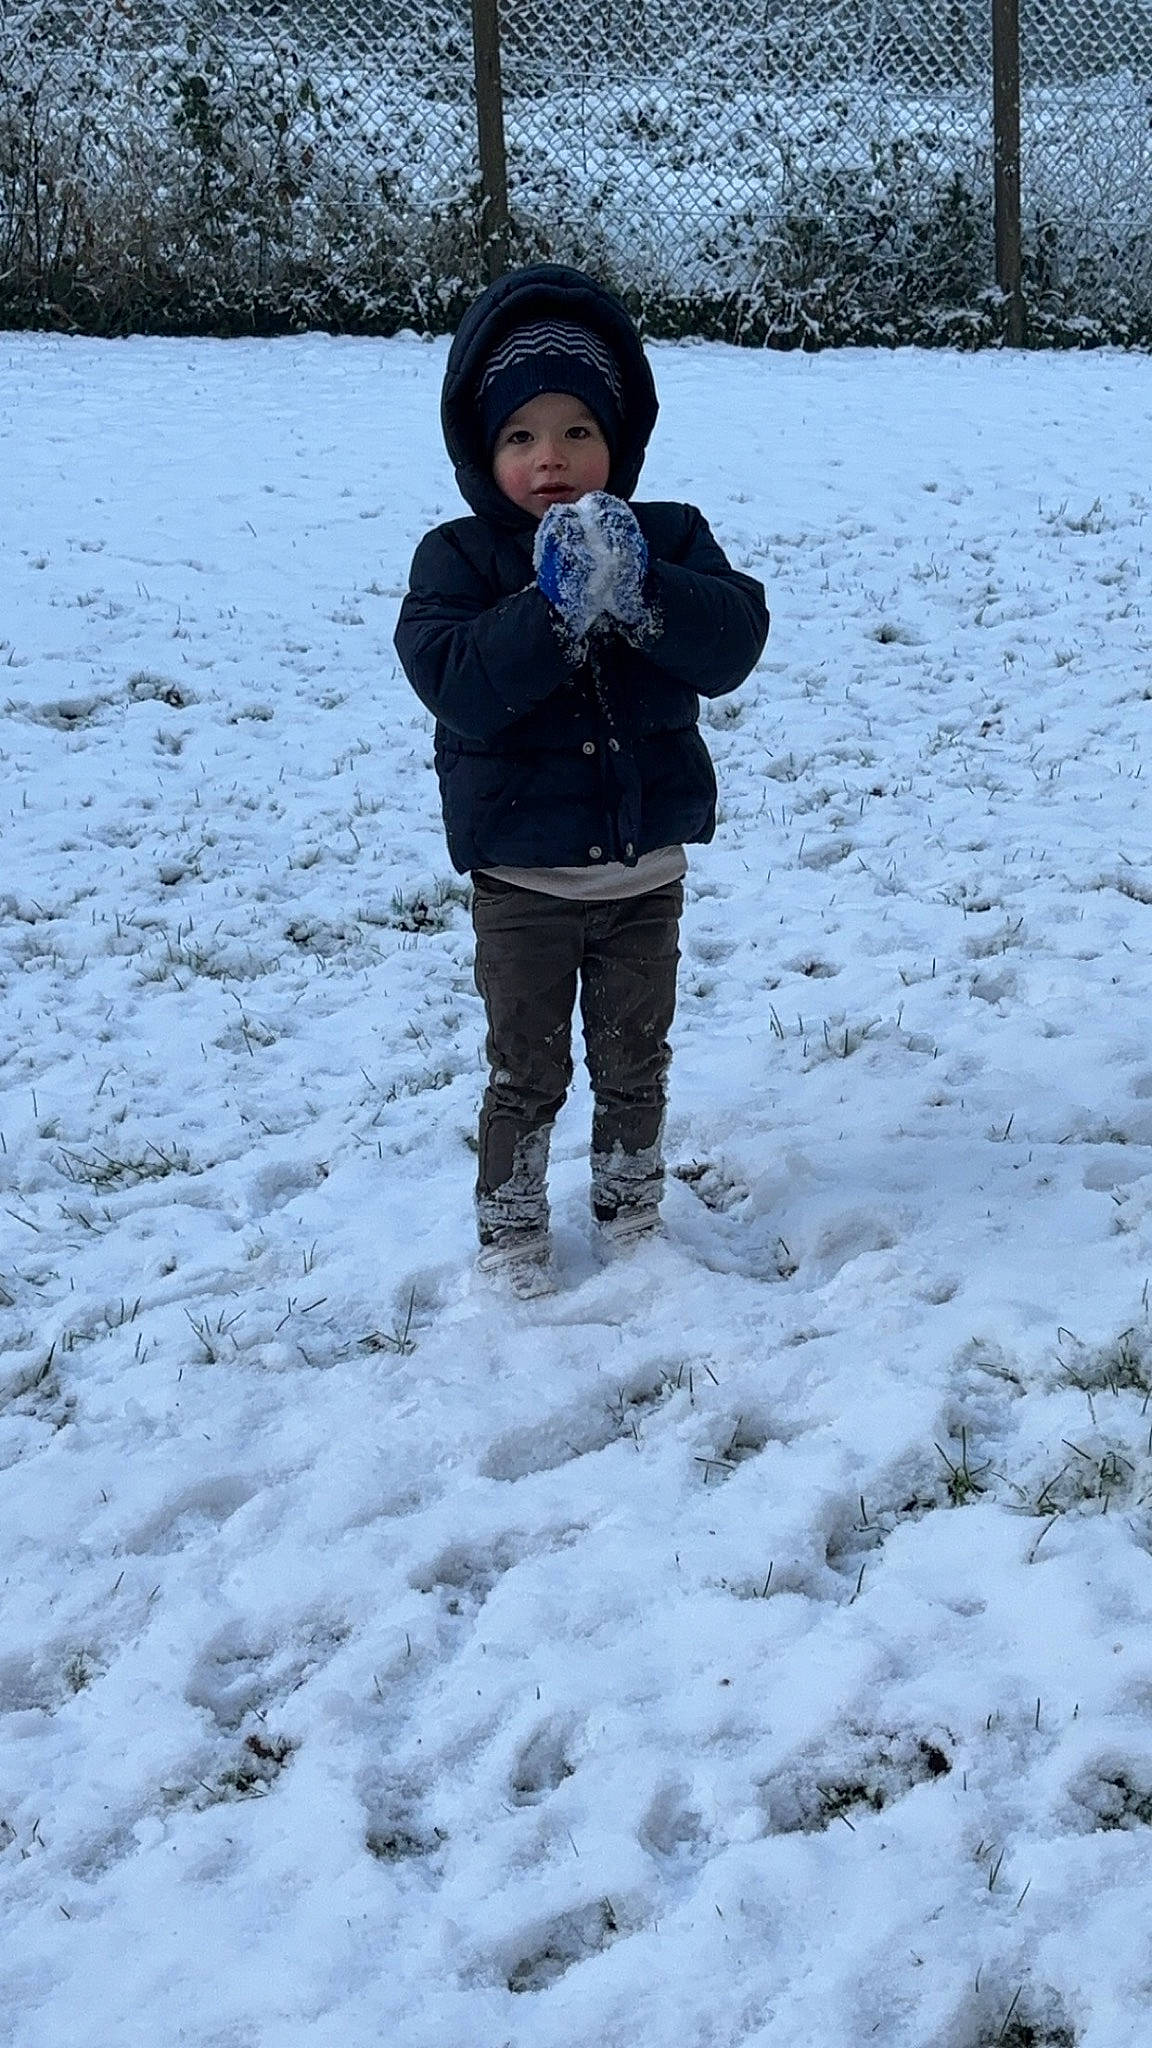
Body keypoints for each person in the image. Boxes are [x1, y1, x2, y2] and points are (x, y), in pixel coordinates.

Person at [394, 263, 769, 1295]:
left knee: (634, 1057)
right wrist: (550, 607)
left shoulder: (669, 536)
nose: (550, 459)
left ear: (620, 441)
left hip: (642, 873)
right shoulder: (461, 563)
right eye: (520, 436)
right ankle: (514, 1229)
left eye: (575, 432)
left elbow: (732, 642)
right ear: (483, 450)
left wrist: (641, 585)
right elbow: (459, 684)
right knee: (527, 1069)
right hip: (525, 886)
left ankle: (631, 1206)